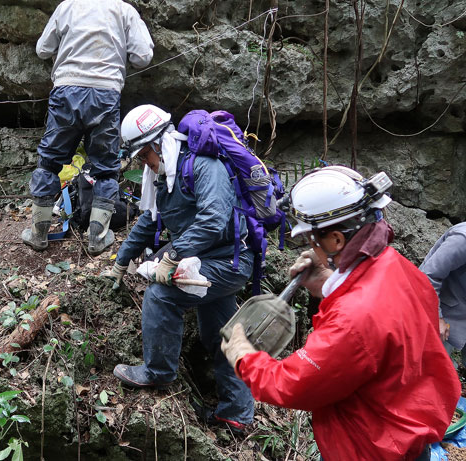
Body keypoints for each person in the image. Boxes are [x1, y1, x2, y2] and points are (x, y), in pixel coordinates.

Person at [221, 165, 460, 460]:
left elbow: (296, 384)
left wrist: (246, 359)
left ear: (336, 240)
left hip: (369, 446)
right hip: (403, 429)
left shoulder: (353, 320)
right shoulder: (398, 267)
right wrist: (327, 282)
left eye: (312, 239)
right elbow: (379, 326)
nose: (311, 246)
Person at [105, 104, 255, 434]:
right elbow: (149, 220)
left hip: (229, 262)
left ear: (158, 144)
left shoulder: (203, 165)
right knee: (220, 336)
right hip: (205, 262)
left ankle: (157, 371)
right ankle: (237, 414)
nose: (144, 163)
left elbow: (214, 220)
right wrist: (119, 262)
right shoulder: (163, 176)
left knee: (161, 294)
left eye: (144, 155)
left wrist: (172, 255)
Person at [23, 0, 154, 254]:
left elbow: (43, 49)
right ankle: (98, 238)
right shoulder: (125, 11)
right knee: (106, 169)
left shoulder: (67, 6)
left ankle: (38, 234)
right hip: (105, 94)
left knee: (49, 162)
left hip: (66, 91)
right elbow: (143, 56)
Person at [420, 222, 466, 367]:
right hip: (443, 315)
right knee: (434, 372)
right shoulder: (462, 239)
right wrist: (436, 316)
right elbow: (427, 277)